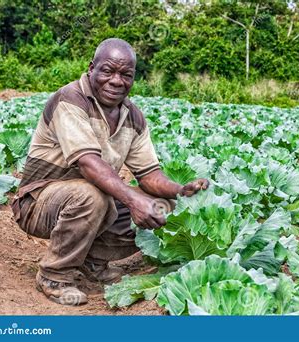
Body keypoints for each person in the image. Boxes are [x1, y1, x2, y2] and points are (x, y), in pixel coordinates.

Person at [11, 38, 209, 306]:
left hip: (92, 199)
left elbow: (149, 175)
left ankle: (93, 262)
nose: (116, 81)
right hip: (39, 202)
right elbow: (88, 163)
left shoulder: (133, 116)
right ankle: (54, 274)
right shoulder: (70, 99)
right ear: (91, 68)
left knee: (162, 205)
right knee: (94, 196)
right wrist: (133, 200)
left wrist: (179, 190)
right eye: (108, 71)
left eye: (125, 75)